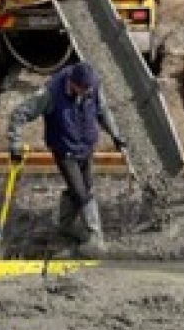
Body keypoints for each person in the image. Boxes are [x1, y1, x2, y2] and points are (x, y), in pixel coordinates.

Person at [8, 61, 126, 255]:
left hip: (86, 147)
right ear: (71, 83)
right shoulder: (50, 93)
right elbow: (19, 114)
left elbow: (102, 110)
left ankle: (65, 226)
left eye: (89, 90)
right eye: (82, 90)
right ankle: (95, 236)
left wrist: (116, 134)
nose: (87, 94)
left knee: (84, 187)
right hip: (65, 151)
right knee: (81, 193)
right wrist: (15, 144)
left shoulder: (92, 86)